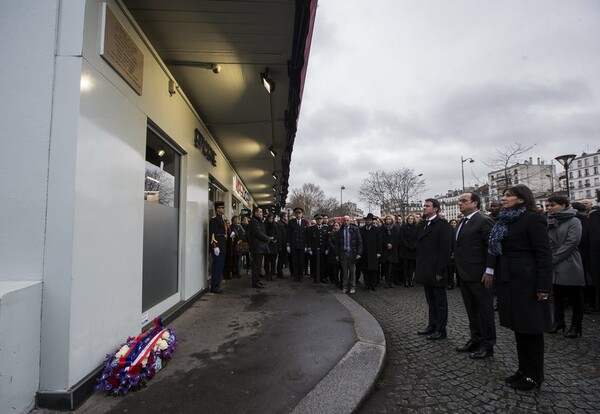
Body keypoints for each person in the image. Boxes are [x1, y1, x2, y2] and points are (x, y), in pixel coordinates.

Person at [485, 184, 552, 391]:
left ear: (522, 199)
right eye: (503, 195)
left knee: (531, 328)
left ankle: (534, 376)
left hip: (528, 281)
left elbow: (543, 254)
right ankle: (523, 370)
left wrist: (543, 286)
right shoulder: (505, 220)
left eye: (508, 196)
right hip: (510, 279)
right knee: (519, 328)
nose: (503, 199)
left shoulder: (533, 219)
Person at [453, 192, 496, 359]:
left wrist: (490, 271)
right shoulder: (461, 222)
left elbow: (491, 248)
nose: (460, 203)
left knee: (485, 311)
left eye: (464, 201)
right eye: (459, 201)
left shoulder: (484, 221)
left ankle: (488, 344)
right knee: (472, 311)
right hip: (464, 274)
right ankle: (475, 339)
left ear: (475, 203)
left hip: (480, 275)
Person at [546, 195, 584, 338]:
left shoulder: (574, 221)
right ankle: (558, 321)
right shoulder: (551, 220)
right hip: (554, 262)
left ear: (563, 205)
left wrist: (553, 258)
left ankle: (576, 325)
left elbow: (572, 242)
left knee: (575, 296)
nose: (549, 208)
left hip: (569, 261)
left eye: (552, 205)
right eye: (548, 205)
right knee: (558, 295)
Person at [414, 198, 452, 340]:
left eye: (427, 206)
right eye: (424, 205)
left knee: (440, 302)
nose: (424, 208)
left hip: (436, 269)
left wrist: (440, 271)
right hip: (425, 269)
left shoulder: (442, 225)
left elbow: (445, 250)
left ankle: (441, 330)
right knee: (431, 301)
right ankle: (432, 325)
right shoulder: (424, 224)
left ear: (435, 209)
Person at [336, 215, 363, 294]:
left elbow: (359, 242)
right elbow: (337, 244)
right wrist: (337, 254)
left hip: (352, 253)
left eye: (347, 220)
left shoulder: (355, 229)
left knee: (352, 271)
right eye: (344, 220)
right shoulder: (340, 231)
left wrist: (359, 253)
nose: (346, 222)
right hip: (343, 253)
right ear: (342, 221)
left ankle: (353, 286)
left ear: (350, 221)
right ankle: (344, 286)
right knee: (344, 271)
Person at [248, 207, 273, 289]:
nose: (262, 213)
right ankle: (255, 282)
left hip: (259, 246)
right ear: (255, 213)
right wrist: (267, 238)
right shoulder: (254, 222)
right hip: (257, 246)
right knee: (256, 265)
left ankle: (257, 280)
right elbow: (258, 233)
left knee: (258, 265)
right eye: (260, 212)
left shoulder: (258, 221)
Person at [209, 200, 227, 294]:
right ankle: (215, 286)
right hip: (218, 246)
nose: (223, 209)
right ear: (217, 209)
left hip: (222, 245)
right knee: (217, 267)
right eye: (222, 208)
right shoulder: (214, 219)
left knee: (220, 267)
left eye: (223, 208)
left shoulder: (221, 219)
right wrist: (215, 246)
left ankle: (217, 285)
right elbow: (213, 233)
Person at [360, 213, 382, 291]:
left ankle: (373, 284)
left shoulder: (376, 229)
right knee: (365, 270)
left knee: (373, 270)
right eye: (367, 220)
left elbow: (379, 241)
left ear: (372, 221)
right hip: (365, 253)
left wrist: (379, 252)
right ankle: (367, 284)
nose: (368, 221)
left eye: (370, 220)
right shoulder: (361, 229)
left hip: (373, 253)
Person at [287, 207, 308, 281]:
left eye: (300, 213)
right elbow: (288, 234)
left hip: (302, 245)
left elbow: (306, 234)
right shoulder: (291, 222)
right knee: (295, 261)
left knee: (301, 261)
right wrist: (288, 245)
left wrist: (306, 245)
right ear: (295, 214)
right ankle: (296, 275)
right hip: (294, 244)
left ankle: (300, 275)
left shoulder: (304, 222)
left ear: (302, 214)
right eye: (297, 213)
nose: (298, 215)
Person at [398, 214, 418, 287]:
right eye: (409, 218)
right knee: (405, 266)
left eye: (412, 219)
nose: (410, 220)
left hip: (413, 250)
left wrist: (414, 246)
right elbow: (402, 238)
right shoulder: (403, 228)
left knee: (411, 266)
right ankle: (406, 280)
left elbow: (417, 238)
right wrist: (407, 245)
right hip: (405, 250)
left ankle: (410, 280)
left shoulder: (416, 228)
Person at [308, 214, 329, 283]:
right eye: (317, 219)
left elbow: (327, 240)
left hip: (323, 249)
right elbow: (309, 239)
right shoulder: (311, 228)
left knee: (323, 264)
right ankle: (315, 277)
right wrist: (309, 248)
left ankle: (322, 277)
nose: (319, 220)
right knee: (314, 263)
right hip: (314, 249)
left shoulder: (326, 228)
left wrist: (327, 248)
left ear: (322, 220)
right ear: (316, 220)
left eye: (320, 219)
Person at [380, 215, 399, 288]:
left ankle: (391, 281)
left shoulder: (395, 228)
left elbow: (397, 238)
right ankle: (387, 281)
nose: (388, 220)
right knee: (385, 267)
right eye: (387, 219)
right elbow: (381, 238)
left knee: (392, 267)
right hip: (385, 250)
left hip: (393, 250)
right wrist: (386, 244)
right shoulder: (381, 229)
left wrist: (392, 244)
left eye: (389, 219)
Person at [264, 213, 279, 281]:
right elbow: (263, 233)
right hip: (267, 244)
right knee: (267, 261)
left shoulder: (275, 225)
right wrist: (268, 238)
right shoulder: (265, 225)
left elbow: (277, 234)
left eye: (272, 218)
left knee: (273, 261)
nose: (271, 219)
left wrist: (273, 238)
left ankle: (272, 274)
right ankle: (267, 274)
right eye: (270, 218)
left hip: (274, 245)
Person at [327, 221, 341, 288]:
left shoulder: (341, 233)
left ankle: (340, 281)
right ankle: (335, 281)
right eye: (334, 225)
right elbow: (329, 242)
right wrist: (335, 249)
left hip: (340, 253)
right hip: (333, 253)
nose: (336, 226)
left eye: (337, 225)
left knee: (340, 269)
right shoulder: (331, 233)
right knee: (334, 268)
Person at [276, 211, 288, 278]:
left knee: (282, 258)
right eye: (286, 216)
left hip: (284, 244)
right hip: (282, 244)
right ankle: (279, 272)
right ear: (283, 217)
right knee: (280, 259)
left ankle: (280, 271)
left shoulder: (283, 224)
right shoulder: (280, 224)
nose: (287, 217)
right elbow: (279, 236)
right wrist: (280, 245)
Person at [447, 219, 458, 289]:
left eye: (454, 223)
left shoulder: (457, 231)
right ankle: (450, 283)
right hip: (450, 252)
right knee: (450, 269)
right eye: (452, 223)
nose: (453, 224)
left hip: (456, 252)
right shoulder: (449, 232)